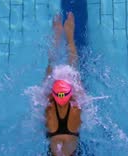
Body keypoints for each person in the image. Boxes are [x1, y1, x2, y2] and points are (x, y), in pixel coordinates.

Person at [44, 12, 82, 156]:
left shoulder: (49, 111)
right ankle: (64, 36)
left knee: (71, 70)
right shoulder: (74, 112)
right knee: (52, 69)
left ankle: (60, 36)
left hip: (63, 147)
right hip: (59, 146)